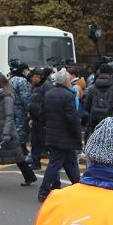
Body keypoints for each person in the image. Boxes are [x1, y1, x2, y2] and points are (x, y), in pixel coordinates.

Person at [36, 69, 82, 202]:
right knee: (56, 164)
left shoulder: (49, 94)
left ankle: (78, 187)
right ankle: (44, 191)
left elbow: (42, 114)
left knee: (70, 163)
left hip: (52, 134)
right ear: (66, 81)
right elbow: (72, 119)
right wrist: (77, 137)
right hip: (65, 136)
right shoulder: (68, 96)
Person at [82, 63, 113, 140]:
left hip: (94, 122)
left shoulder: (92, 88)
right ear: (111, 74)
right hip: (111, 122)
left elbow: (86, 106)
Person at [26, 68, 51, 170]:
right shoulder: (34, 86)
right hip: (35, 119)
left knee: (44, 142)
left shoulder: (47, 86)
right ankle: (36, 163)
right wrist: (31, 117)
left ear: (38, 77)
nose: (31, 80)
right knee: (35, 142)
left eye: (32, 78)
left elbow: (48, 103)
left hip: (43, 120)